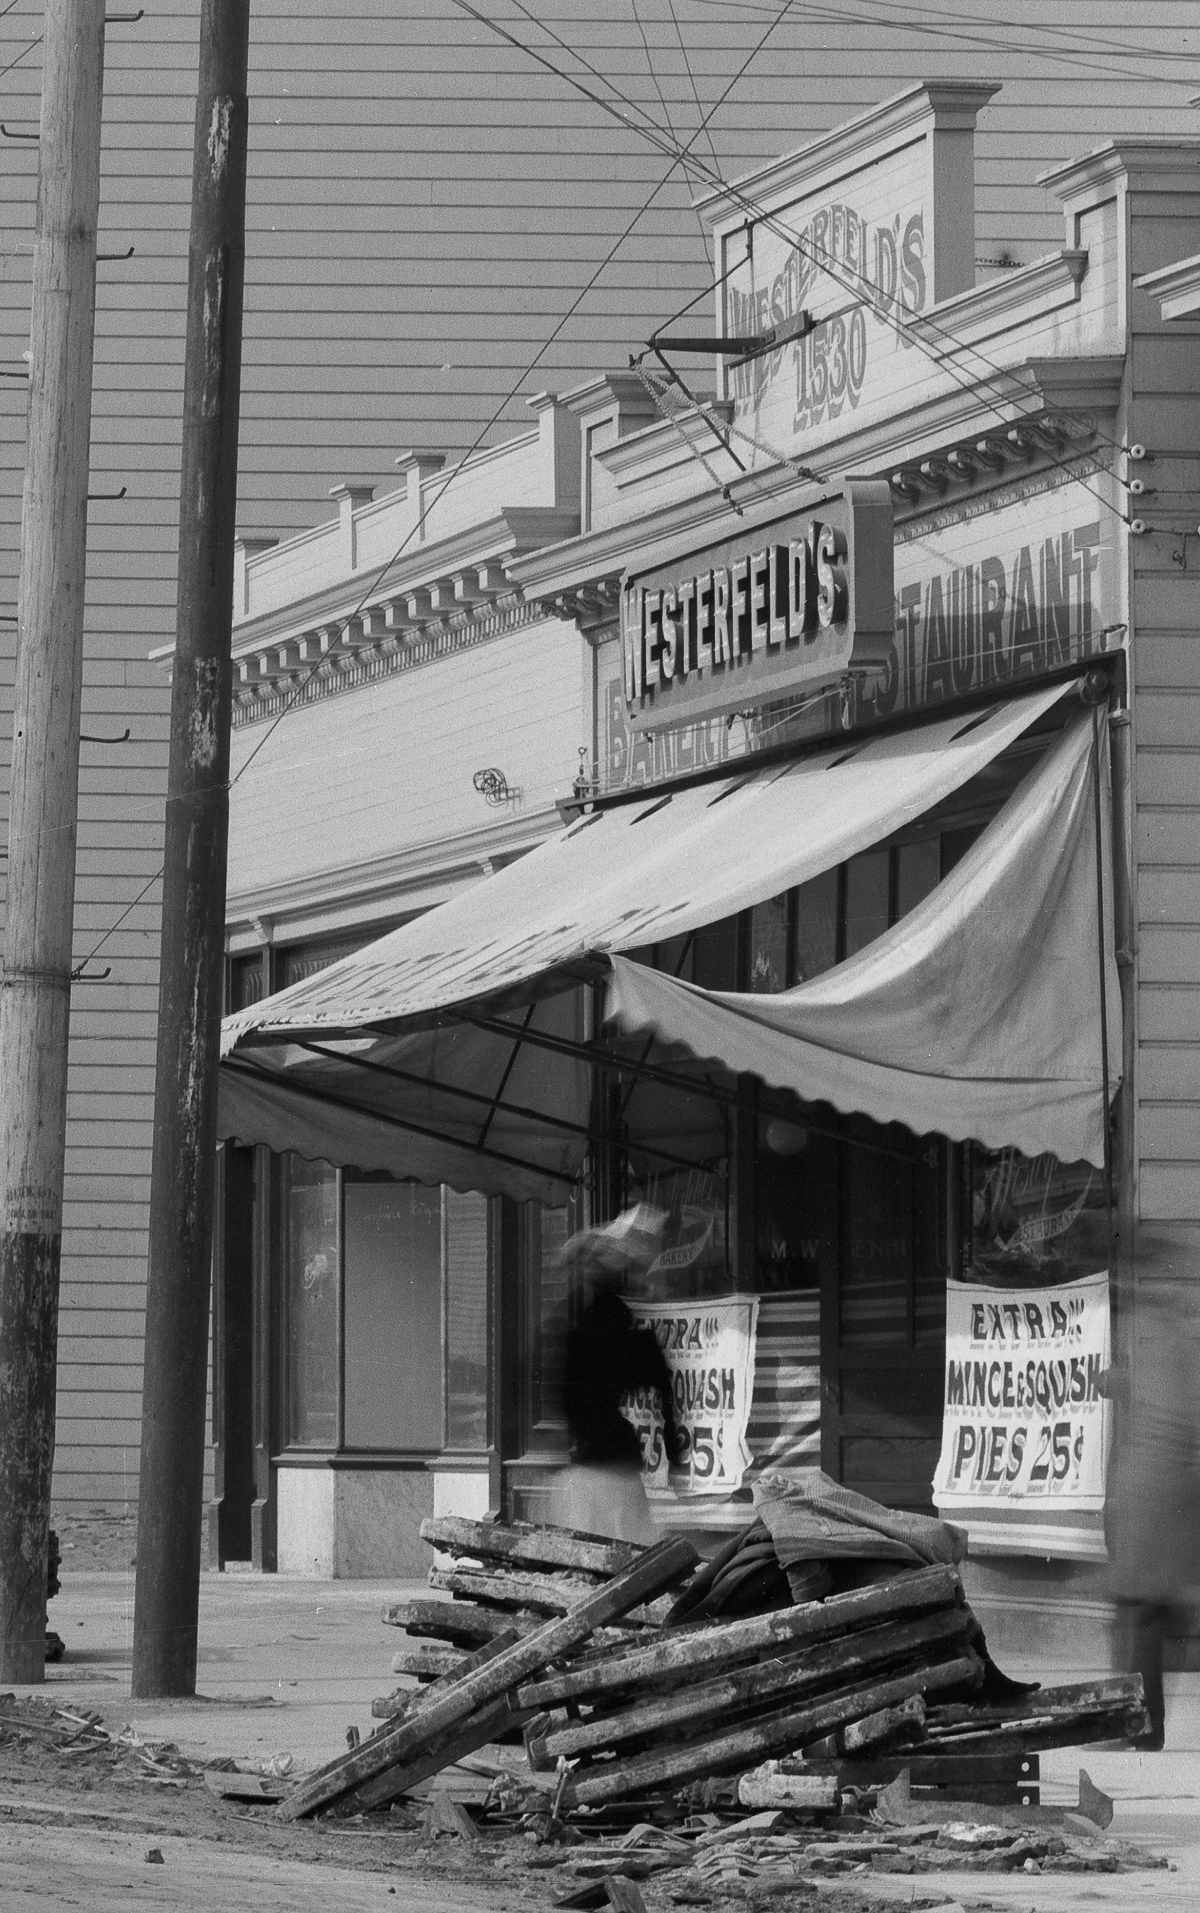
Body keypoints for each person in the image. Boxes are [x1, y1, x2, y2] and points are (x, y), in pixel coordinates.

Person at [1104, 1235, 1200, 1750]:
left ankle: (1140, 1729)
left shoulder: (1158, 1333)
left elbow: (1161, 1410)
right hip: (1165, 1498)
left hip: (1155, 1498)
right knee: (1145, 1619)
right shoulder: (1173, 1335)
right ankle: (1140, 1726)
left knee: (1141, 1620)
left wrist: (1112, 1380)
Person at [548, 1205, 683, 1545]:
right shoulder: (632, 1340)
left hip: (592, 1463)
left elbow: (567, 1399)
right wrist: (672, 1452)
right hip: (617, 1463)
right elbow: (663, 1395)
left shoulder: (577, 1336)